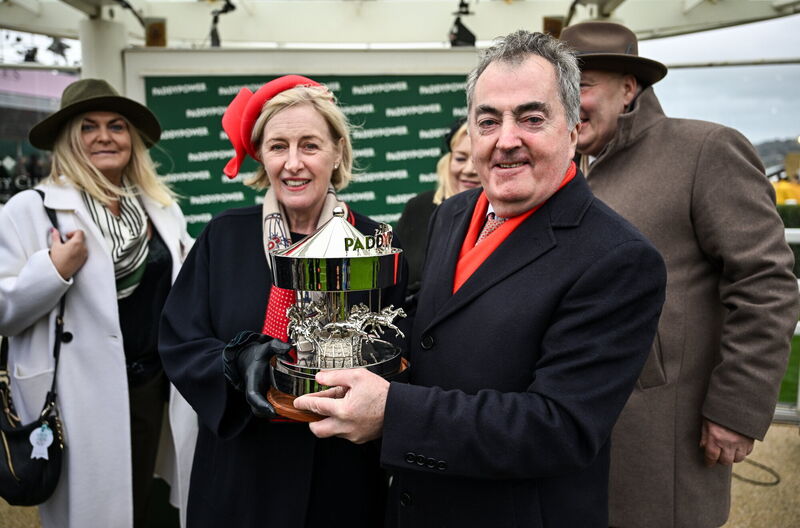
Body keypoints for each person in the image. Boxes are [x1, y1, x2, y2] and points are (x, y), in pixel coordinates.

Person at [293, 31, 667, 527]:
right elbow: (432, 328)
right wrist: (338, 349)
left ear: (573, 130)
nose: (506, 139)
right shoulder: (453, 213)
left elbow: (560, 429)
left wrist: (394, 412)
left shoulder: (618, 259)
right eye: (488, 120)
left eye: (532, 118)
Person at [559, 21, 800, 528]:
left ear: (630, 88)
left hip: (660, 429)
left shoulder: (704, 150)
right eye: (556, 85)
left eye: (581, 84)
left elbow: (766, 284)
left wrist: (736, 408)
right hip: (569, 423)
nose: (565, 99)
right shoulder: (561, 169)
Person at [158, 75, 408, 528]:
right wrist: (236, 359)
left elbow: (397, 348)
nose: (293, 164)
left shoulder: (372, 242)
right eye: (278, 147)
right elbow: (180, 342)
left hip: (339, 472)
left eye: (309, 145)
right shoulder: (223, 237)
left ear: (336, 152)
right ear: (261, 156)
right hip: (242, 470)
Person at [0, 78, 195, 528]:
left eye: (117, 126)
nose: (105, 136)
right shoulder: (31, 209)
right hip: (77, 392)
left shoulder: (159, 208)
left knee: (151, 500)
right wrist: (54, 269)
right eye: (88, 127)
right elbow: (5, 313)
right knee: (97, 512)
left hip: (152, 385)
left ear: (133, 139)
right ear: (69, 140)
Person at [395, 118, 479, 298]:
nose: (469, 169)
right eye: (460, 158)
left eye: (478, 159)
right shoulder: (419, 207)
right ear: (448, 160)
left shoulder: (501, 217)